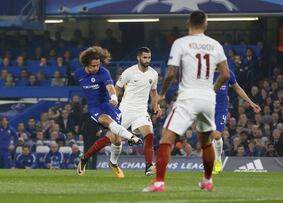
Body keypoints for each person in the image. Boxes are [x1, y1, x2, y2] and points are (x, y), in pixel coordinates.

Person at [143, 10, 230, 192]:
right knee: (206, 141)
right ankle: (207, 180)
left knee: (167, 136)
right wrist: (212, 90)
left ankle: (159, 183)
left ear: (188, 23)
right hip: (207, 99)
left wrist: (162, 93)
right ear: (205, 24)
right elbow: (225, 75)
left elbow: (172, 73)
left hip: (188, 97)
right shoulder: (215, 45)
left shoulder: (180, 43)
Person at [74, 46, 142, 178]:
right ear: (86, 64)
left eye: (98, 65)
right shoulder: (78, 73)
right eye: (93, 66)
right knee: (107, 121)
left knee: (116, 139)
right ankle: (132, 137)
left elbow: (110, 87)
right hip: (95, 107)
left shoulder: (103, 72)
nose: (96, 68)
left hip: (108, 105)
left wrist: (114, 97)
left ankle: (106, 162)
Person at [115, 47, 162, 176]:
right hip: (126, 109)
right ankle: (86, 158)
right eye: (145, 57)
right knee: (112, 138)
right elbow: (117, 87)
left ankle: (148, 166)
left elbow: (154, 92)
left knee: (149, 135)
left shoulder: (153, 74)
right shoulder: (129, 72)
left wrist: (156, 105)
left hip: (141, 111)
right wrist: (114, 101)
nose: (147, 60)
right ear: (138, 57)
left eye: (149, 58)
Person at [212, 70, 261, 174]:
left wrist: (251, 102)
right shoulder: (206, 73)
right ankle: (212, 160)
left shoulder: (227, 73)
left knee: (217, 135)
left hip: (221, 108)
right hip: (207, 106)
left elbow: (238, 89)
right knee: (209, 136)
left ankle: (217, 160)